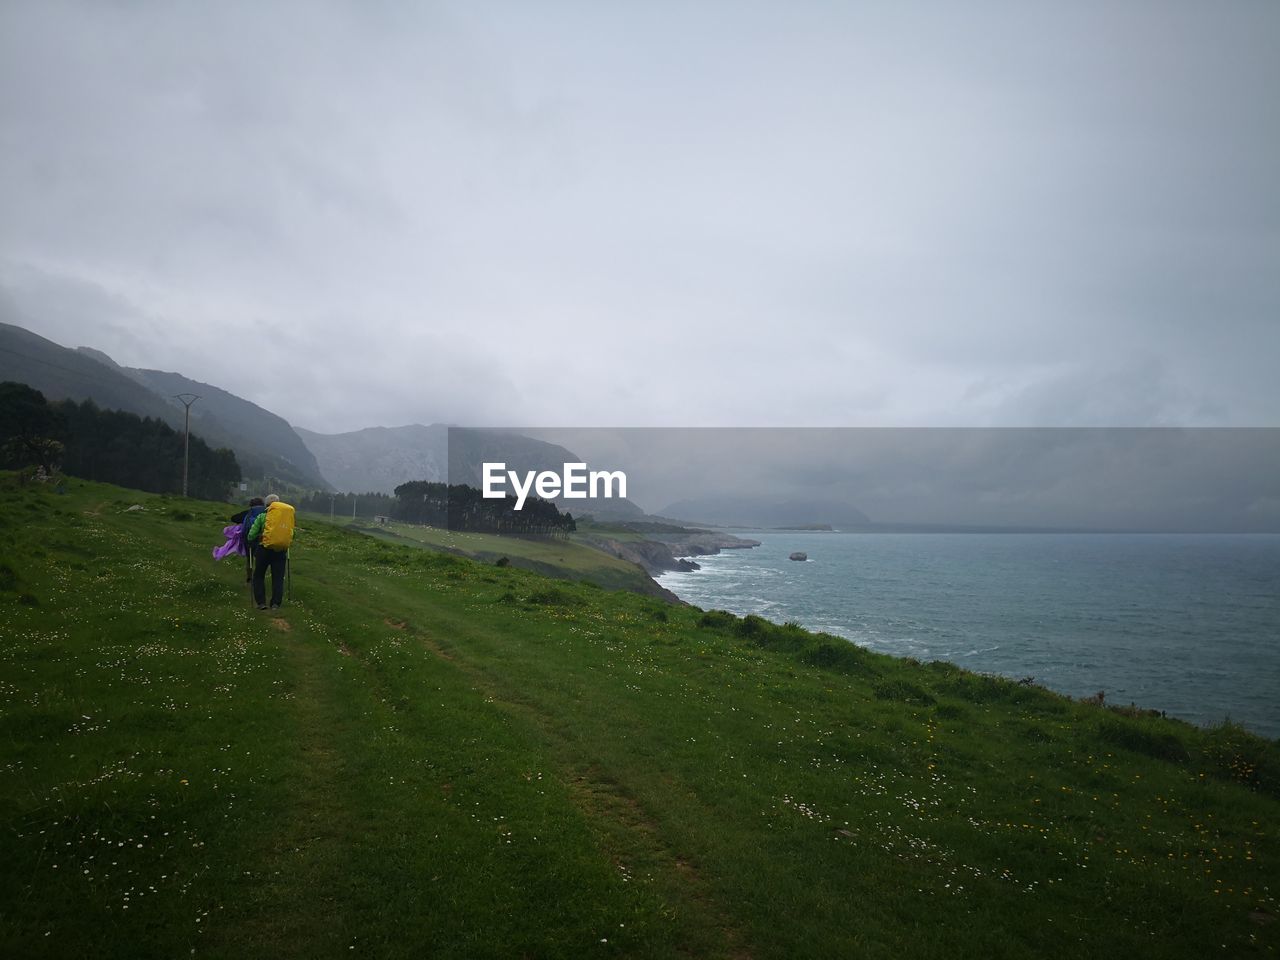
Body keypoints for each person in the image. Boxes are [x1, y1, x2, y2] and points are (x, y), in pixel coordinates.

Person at [247, 493, 295, 610]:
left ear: (266, 505)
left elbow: (251, 535)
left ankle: (261, 603)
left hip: (264, 550)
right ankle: (275, 604)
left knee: (259, 576)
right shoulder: (285, 518)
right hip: (281, 551)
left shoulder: (262, 517)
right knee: (278, 578)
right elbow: (292, 533)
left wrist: (254, 538)